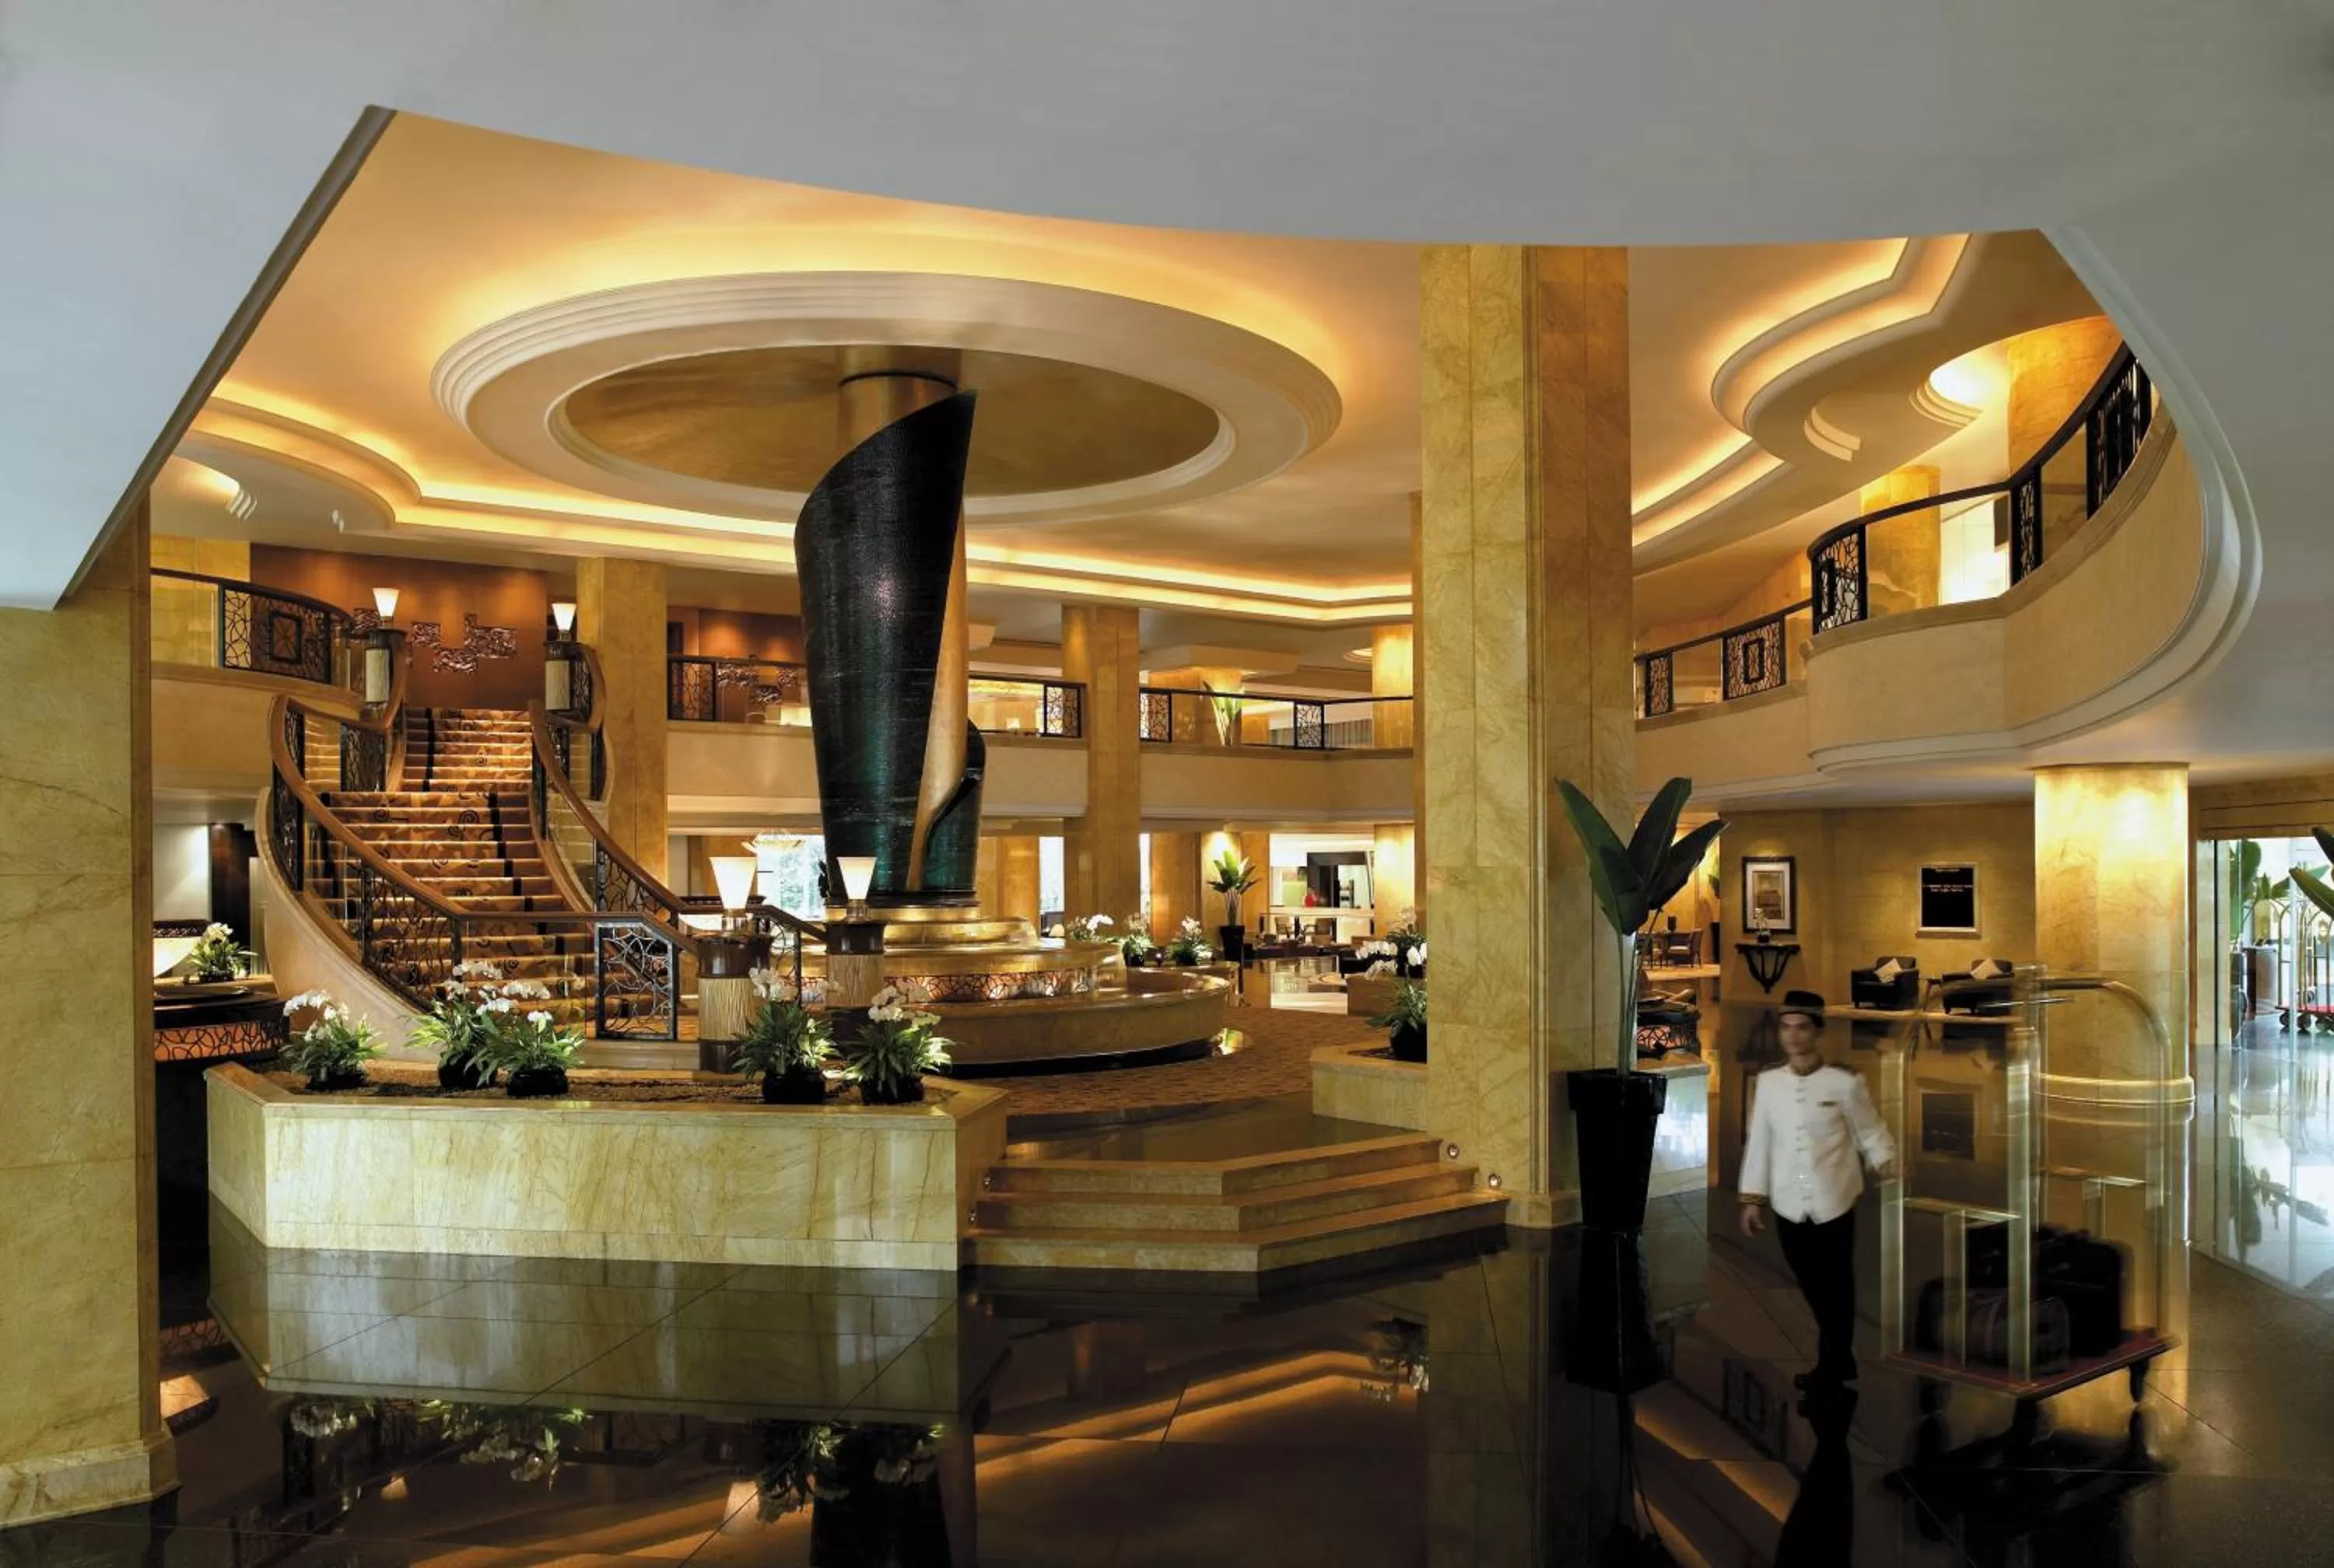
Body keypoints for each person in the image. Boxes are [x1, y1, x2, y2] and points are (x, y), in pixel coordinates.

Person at [1738, 989, 1897, 1388]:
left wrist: (1886, 1160)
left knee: (1837, 1286)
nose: (1792, 1036)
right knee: (1810, 1282)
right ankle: (1839, 1358)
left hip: (1834, 1200)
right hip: (1790, 1203)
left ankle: (1834, 1364)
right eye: (1786, 1027)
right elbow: (1759, 1141)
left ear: (1817, 1033)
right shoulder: (1769, 1084)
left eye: (1801, 1027)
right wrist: (1752, 1199)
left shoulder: (1843, 1084)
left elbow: (1870, 1130)